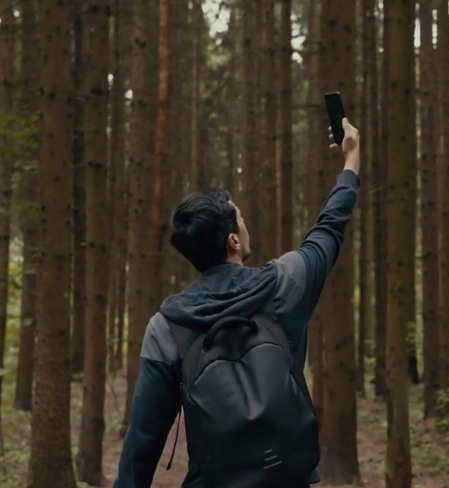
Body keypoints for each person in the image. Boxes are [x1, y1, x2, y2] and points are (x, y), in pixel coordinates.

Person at [113, 118, 361, 488]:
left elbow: (143, 442)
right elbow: (328, 230)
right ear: (233, 240)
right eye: (241, 219)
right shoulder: (283, 284)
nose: (245, 225)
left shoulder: (166, 327)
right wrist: (351, 162)